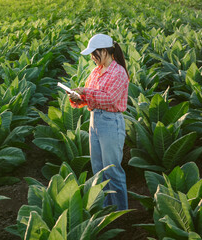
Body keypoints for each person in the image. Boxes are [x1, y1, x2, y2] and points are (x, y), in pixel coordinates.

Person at [68, 33, 129, 210]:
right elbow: (92, 98)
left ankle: (119, 213)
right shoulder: (96, 72)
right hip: (95, 121)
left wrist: (85, 91)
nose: (93, 59)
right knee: (98, 170)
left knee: (112, 170)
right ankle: (103, 210)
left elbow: (109, 99)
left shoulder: (118, 72)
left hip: (111, 123)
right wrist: (78, 97)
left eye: (95, 54)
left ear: (105, 51)